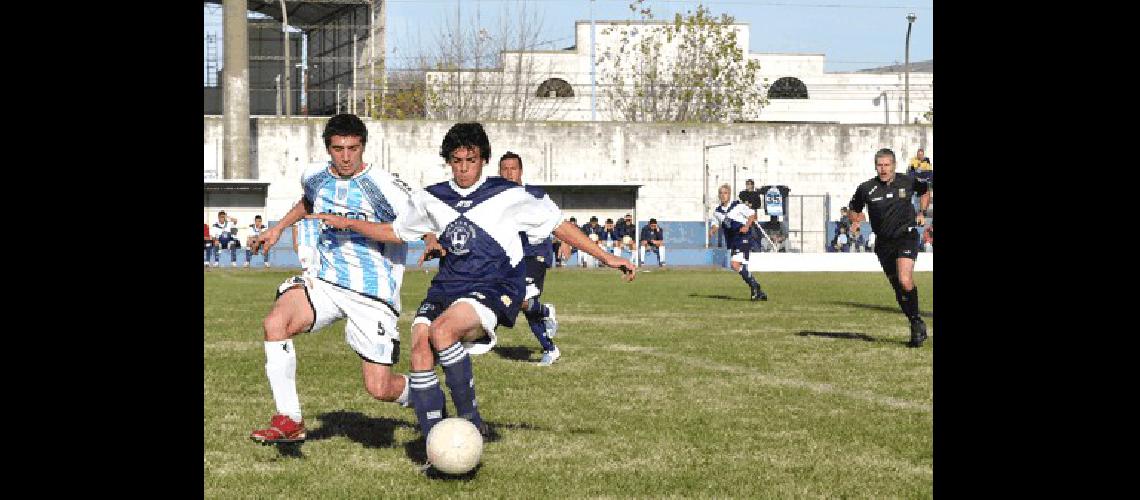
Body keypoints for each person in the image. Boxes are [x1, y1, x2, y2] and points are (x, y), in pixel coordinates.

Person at [307, 122, 636, 442]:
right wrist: (345, 222)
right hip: (448, 285)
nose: (464, 168)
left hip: (494, 284)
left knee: (443, 332)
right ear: (448, 161)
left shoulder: (509, 194)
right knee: (420, 347)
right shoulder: (430, 197)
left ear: (483, 160)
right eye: (457, 161)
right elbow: (396, 231)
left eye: (471, 160)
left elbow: (558, 225)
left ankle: (472, 423)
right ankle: (435, 440)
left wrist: (608, 256)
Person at [245, 114, 428, 444]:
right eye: (338, 149)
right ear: (328, 148)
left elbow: (412, 229)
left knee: (380, 388)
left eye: (353, 149)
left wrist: (351, 224)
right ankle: (290, 419)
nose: (346, 157)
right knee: (275, 323)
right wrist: (278, 228)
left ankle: (429, 399)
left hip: (372, 292)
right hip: (325, 281)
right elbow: (307, 201)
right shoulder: (314, 176)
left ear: (363, 147)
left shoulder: (383, 185)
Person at [847, 147, 931, 348]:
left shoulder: (907, 181)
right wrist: (856, 220)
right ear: (875, 167)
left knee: (904, 278)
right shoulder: (866, 188)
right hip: (883, 243)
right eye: (880, 165)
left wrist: (922, 212)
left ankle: (916, 323)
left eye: (887, 165)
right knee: (898, 289)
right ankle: (916, 323)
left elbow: (925, 191)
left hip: (906, 236)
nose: (883, 169)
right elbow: (853, 209)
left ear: (894, 165)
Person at [498, 151, 562, 366]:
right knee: (523, 303)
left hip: (536, 254)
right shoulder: (495, 199)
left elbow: (557, 218)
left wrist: (568, 242)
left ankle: (546, 311)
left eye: (512, 168)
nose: (508, 173)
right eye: (504, 169)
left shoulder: (534, 194)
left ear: (521, 171)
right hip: (513, 257)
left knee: (520, 298)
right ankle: (550, 348)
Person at [709, 184, 768, 300]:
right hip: (732, 241)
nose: (723, 195)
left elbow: (752, 215)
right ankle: (756, 290)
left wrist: (746, 226)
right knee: (743, 268)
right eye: (721, 193)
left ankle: (756, 288)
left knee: (734, 265)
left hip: (743, 237)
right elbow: (715, 224)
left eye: (725, 193)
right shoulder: (717, 211)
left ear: (729, 194)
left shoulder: (738, 205)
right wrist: (713, 230)